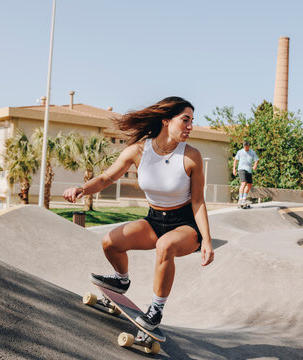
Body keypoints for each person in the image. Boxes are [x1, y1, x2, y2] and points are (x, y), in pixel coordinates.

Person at [63, 96, 214, 331]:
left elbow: (197, 201)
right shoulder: (139, 151)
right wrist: (82, 189)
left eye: (192, 121)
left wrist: (206, 239)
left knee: (166, 245)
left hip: (185, 225)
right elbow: (106, 178)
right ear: (166, 120)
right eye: (185, 120)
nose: (190, 126)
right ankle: (121, 280)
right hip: (154, 220)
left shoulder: (191, 156)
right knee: (110, 242)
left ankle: (156, 309)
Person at [232, 140, 259, 206]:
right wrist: (234, 169)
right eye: (244, 147)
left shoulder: (252, 152)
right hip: (241, 169)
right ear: (243, 146)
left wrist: (255, 165)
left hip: (249, 170)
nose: (246, 148)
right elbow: (235, 160)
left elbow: (256, 160)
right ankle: (240, 199)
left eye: (247, 147)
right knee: (243, 183)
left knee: (249, 185)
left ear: (249, 146)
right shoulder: (240, 152)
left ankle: (244, 198)